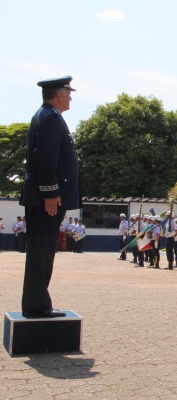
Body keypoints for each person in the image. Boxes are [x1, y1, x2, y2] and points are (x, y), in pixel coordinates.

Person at [19, 75, 81, 318]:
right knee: (42, 250)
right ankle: (37, 306)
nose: (71, 98)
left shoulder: (45, 116)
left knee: (42, 250)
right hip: (47, 199)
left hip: (44, 196)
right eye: (69, 93)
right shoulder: (51, 119)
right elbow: (45, 158)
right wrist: (51, 193)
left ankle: (37, 303)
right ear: (59, 95)